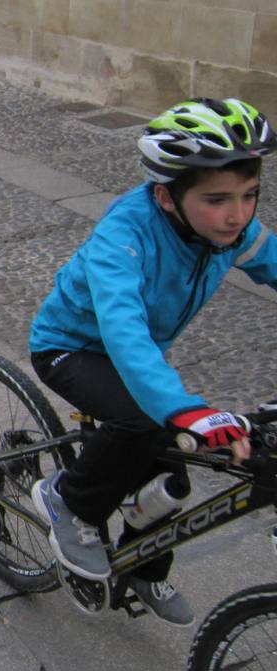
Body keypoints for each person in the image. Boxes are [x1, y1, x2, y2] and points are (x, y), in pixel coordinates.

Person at [29, 98, 277, 626]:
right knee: (142, 420)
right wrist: (183, 407)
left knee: (172, 480)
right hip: (70, 348)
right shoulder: (126, 234)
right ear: (166, 195)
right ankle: (69, 502)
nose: (237, 214)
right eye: (217, 199)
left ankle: (142, 567)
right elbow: (124, 334)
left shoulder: (228, 233)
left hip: (141, 360)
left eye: (250, 194)